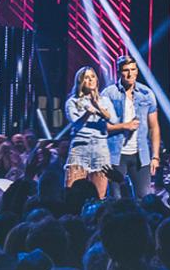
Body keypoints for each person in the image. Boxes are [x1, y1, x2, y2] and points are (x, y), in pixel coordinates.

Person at [107, 56, 161, 198]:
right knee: (116, 200)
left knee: (145, 199)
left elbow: (154, 127)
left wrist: (155, 156)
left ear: (137, 71)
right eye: (126, 70)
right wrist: (125, 126)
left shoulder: (147, 94)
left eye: (133, 69)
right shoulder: (109, 94)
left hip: (141, 155)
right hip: (115, 155)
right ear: (119, 72)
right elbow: (102, 127)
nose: (130, 74)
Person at [65, 65, 117, 199]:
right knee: (72, 194)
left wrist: (97, 106)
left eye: (93, 77)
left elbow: (114, 121)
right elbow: (76, 124)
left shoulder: (104, 100)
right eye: (86, 78)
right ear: (80, 82)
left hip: (100, 149)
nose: (91, 80)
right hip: (80, 148)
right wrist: (88, 112)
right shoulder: (73, 101)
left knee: (99, 197)